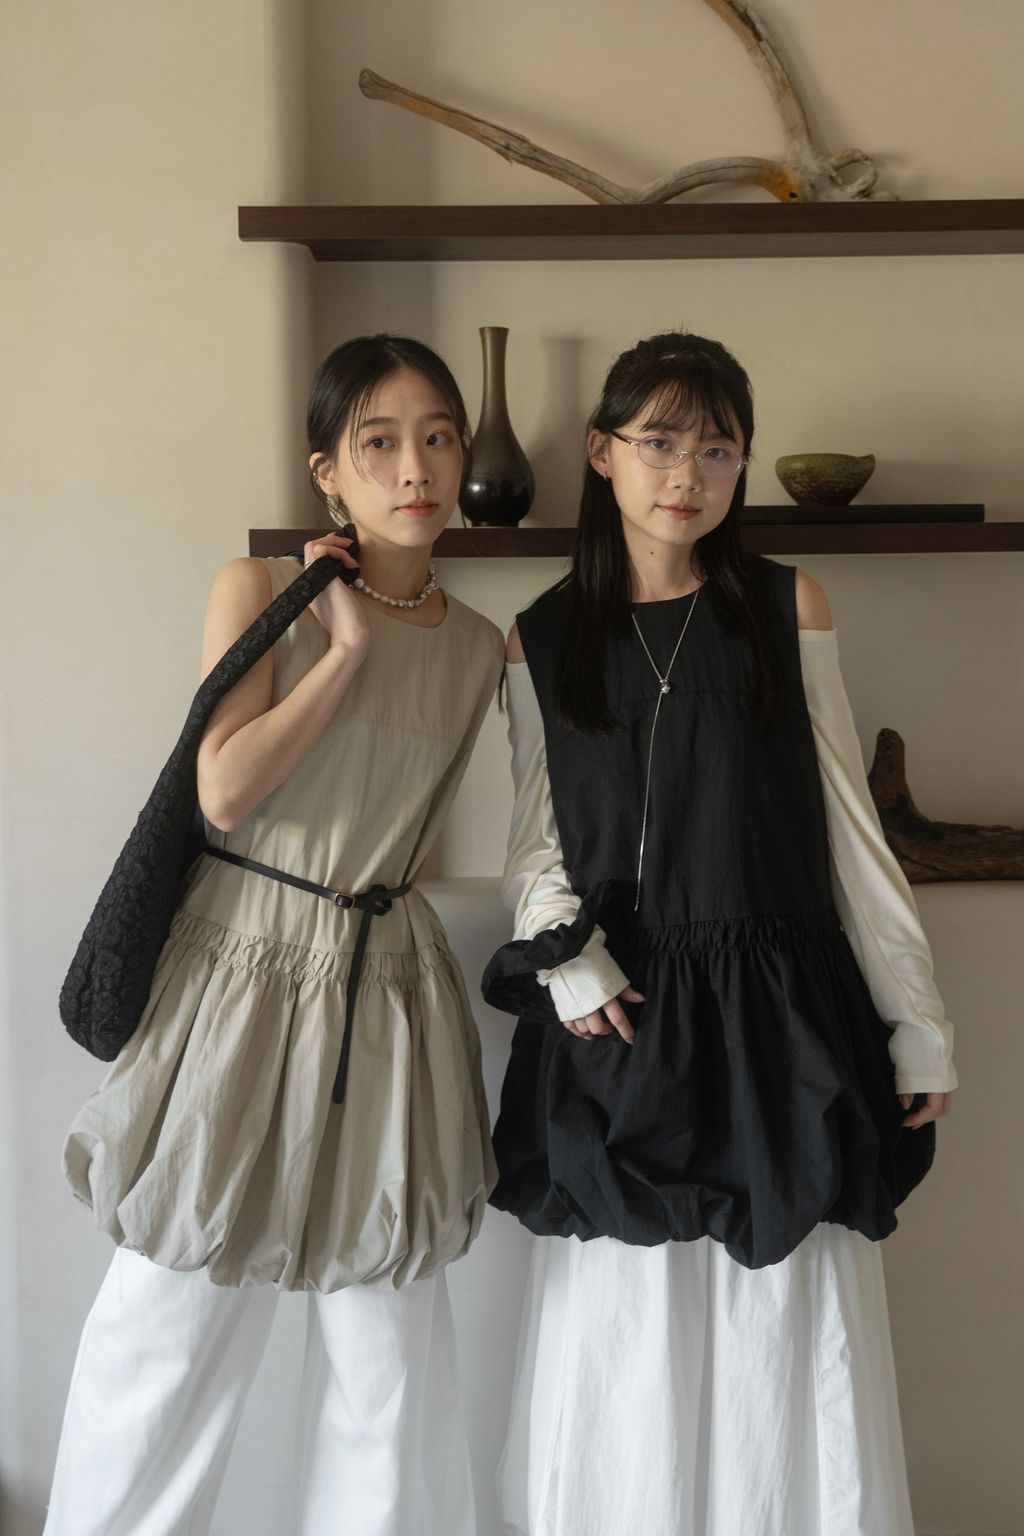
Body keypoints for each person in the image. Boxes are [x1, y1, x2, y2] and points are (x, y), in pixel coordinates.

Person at [482, 331, 956, 1536]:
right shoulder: (540, 636)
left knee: (785, 1314)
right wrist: (565, 959)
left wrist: (918, 1024)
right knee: (627, 1320)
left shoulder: (786, 608)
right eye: (658, 443)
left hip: (778, 1008)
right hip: (620, 1010)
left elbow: (850, 832)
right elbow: (534, 841)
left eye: (715, 449)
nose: (685, 473)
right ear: (602, 453)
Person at [45, 334, 504, 1536]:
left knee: (386, 1350)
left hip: (386, 991)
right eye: (379, 443)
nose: (416, 468)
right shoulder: (256, 591)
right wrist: (343, 651)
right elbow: (225, 789)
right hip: (242, 975)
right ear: (327, 473)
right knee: (168, 1323)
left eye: (437, 438)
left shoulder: (478, 647)